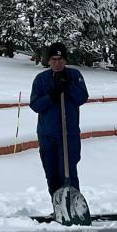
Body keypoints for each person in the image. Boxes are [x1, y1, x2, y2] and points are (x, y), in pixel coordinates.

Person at [29, 42, 90, 197]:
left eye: (60, 59)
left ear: (65, 60)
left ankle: (73, 205)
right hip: (47, 134)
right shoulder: (41, 79)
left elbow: (82, 98)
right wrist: (52, 96)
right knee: (52, 174)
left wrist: (68, 86)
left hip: (68, 134)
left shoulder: (74, 75)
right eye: (54, 59)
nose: (57, 63)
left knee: (68, 172)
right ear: (48, 61)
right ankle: (58, 207)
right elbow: (35, 105)